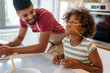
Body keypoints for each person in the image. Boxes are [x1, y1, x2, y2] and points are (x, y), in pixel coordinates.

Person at [0, 0, 66, 56]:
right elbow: (20, 38)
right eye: (25, 15)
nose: (30, 17)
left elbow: (41, 47)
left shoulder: (45, 16)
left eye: (32, 11)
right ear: (18, 14)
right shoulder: (22, 20)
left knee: (52, 63)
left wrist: (12, 50)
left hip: (63, 41)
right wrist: (6, 45)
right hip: (51, 42)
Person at [52, 8, 103, 73]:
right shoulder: (65, 41)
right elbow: (68, 55)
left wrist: (79, 65)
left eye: (74, 22)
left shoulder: (89, 46)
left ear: (83, 29)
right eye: (69, 21)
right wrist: (60, 57)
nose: (69, 24)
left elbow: (99, 70)